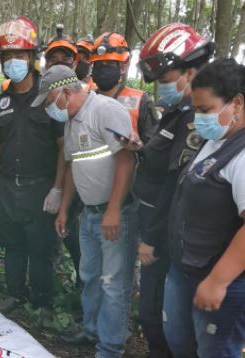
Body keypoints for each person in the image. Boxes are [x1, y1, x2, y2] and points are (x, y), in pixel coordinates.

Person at [126, 23, 214, 358]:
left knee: (158, 312)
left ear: (190, 72)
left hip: (165, 233)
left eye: (164, 81)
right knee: (154, 310)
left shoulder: (195, 119)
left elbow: (174, 186)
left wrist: (151, 237)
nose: (161, 89)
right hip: (157, 224)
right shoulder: (177, 112)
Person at [46, 65, 136, 356]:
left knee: (113, 283)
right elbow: (74, 165)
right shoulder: (71, 120)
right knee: (90, 275)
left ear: (67, 92)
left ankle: (110, 347)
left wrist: (112, 209)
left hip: (116, 214)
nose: (50, 109)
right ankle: (92, 330)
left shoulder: (107, 111)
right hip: (89, 212)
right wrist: (64, 208)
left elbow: (126, 161)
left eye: (50, 102)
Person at [0, 17, 65, 313]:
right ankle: (15, 294)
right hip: (7, 187)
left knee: (41, 249)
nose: (13, 61)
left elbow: (62, 147)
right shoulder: (0, 103)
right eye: (7, 57)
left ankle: (43, 302)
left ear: (32, 58)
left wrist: (57, 188)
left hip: (40, 187)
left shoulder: (50, 97)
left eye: (19, 55)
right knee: (13, 245)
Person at [163, 58, 245, 357]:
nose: (198, 119)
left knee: (215, 351)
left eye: (204, 110)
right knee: (180, 342)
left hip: (220, 280)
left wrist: (218, 281)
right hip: (186, 269)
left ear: (236, 103)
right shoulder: (217, 138)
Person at [44, 25, 83, 287]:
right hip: (45, 178)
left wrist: (59, 188)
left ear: (76, 61)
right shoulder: (44, 91)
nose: (60, 63)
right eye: (53, 58)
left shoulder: (86, 97)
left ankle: (83, 284)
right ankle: (52, 280)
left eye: (66, 58)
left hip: (78, 185)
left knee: (76, 238)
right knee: (50, 238)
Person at [90, 32, 158, 144]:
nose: (103, 68)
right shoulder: (86, 100)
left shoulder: (141, 101)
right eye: (99, 64)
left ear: (122, 68)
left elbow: (153, 146)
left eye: (109, 63)